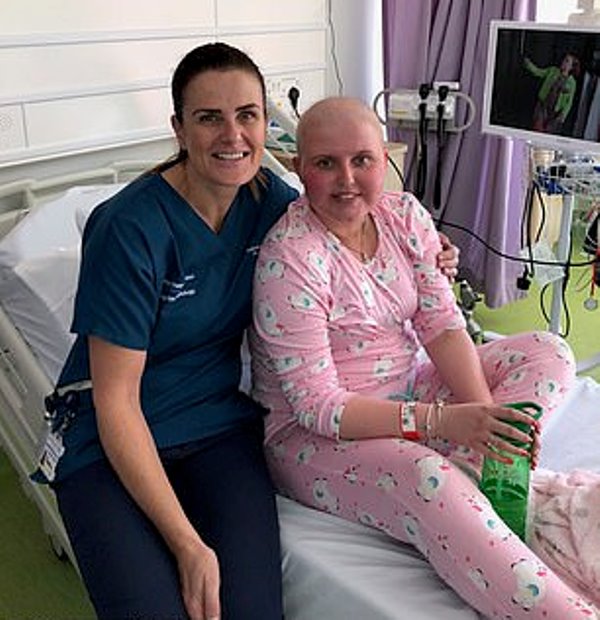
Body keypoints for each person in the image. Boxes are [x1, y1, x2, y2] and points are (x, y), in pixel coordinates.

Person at [34, 44, 460, 619]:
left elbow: (348, 222)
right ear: (179, 129)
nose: (232, 135)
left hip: (217, 428)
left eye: (247, 115)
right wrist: (188, 546)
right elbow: (116, 403)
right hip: (111, 440)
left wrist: (430, 251)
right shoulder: (129, 229)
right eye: (209, 117)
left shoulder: (271, 202)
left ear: (265, 124)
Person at [250, 97, 599, 618]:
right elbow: (319, 407)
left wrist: (484, 424)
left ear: (386, 158)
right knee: (424, 475)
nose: (347, 179)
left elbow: (441, 325)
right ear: (300, 168)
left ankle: (479, 477)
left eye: (362, 160)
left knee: (548, 351)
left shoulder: (403, 216)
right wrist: (442, 422)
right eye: (325, 163)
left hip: (411, 387)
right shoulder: (291, 258)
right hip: (318, 438)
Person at [524, 52, 579, 133]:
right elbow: (538, 72)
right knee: (537, 128)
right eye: (564, 59)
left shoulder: (572, 82)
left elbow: (569, 101)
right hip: (543, 106)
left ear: (571, 67)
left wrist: (563, 115)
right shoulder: (553, 71)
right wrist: (529, 64)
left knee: (548, 133)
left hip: (555, 112)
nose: (564, 62)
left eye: (567, 61)